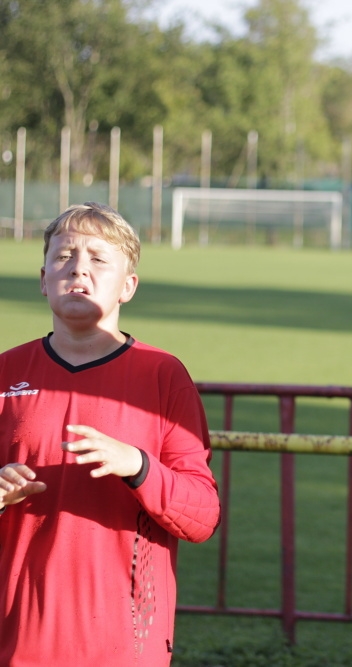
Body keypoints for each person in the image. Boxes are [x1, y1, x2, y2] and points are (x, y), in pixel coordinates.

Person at [0, 202, 220, 666]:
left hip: (124, 646)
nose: (79, 268)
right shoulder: (6, 371)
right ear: (43, 280)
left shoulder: (163, 375)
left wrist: (139, 466)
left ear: (128, 286)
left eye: (99, 259)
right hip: (16, 640)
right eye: (64, 257)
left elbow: (202, 517)